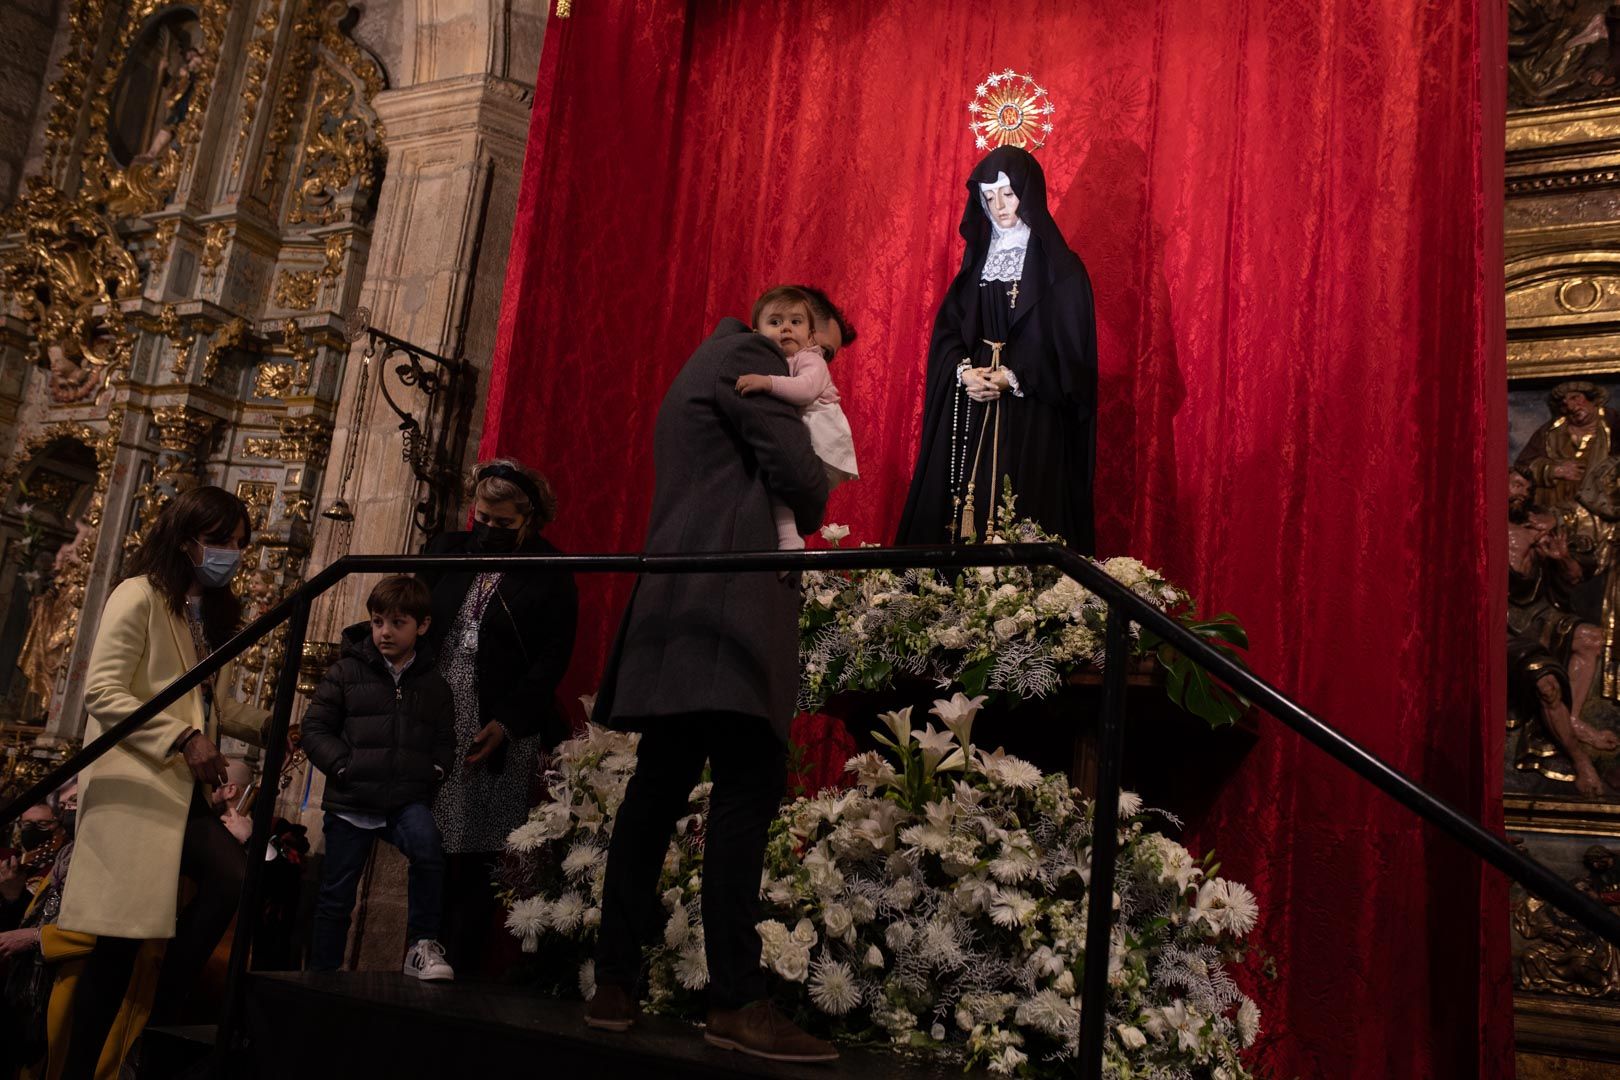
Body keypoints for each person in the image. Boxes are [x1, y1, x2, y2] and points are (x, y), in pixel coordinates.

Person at [587, 310, 837, 1064]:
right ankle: (734, 998)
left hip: (678, 603)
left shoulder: (698, 359)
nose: (810, 355)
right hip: (729, 605)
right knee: (744, 795)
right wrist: (817, 488)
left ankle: (614, 983)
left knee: (657, 788)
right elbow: (802, 480)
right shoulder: (750, 356)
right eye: (814, 338)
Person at [55, 486, 268, 1076]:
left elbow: (210, 707)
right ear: (185, 539)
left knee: (233, 876)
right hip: (138, 787)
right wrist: (179, 738)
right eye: (221, 541)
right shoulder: (140, 594)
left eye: (240, 544)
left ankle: (161, 1009)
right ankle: (77, 1069)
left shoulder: (206, 615)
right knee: (114, 950)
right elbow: (102, 691)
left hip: (182, 795)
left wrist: (278, 725)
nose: (233, 553)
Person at [896, 144, 1098, 550]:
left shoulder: (1064, 270)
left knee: (1023, 507)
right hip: (972, 404)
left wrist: (1014, 376)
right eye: (989, 197)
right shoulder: (977, 266)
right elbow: (949, 331)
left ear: (1030, 192)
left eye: (1008, 193)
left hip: (1031, 411)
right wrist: (962, 370)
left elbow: (1073, 351)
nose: (999, 206)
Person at [419, 459, 577, 975]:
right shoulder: (445, 549)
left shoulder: (550, 571)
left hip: (500, 722)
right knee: (429, 846)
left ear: (529, 519)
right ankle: (419, 955)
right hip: (439, 710)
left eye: (503, 524)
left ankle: (461, 967)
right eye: (481, 517)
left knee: (479, 855)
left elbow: (551, 660)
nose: (487, 528)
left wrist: (508, 721)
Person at [301, 576, 456, 980]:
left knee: (428, 849)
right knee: (336, 897)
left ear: (421, 626)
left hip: (405, 800)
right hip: (352, 800)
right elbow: (314, 729)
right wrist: (343, 767)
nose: (385, 632)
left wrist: (434, 771)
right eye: (377, 621)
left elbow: (444, 740)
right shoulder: (345, 672)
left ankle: (421, 947)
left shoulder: (434, 684)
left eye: (397, 623)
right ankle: (321, 973)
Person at [735, 285, 859, 550]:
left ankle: (790, 537)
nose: (786, 329)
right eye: (777, 322)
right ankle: (789, 538)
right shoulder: (769, 357)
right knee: (777, 482)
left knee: (788, 478)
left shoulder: (810, 359)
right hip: (806, 434)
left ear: (808, 333)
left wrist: (767, 383)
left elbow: (804, 390)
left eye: (795, 322)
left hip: (823, 437)